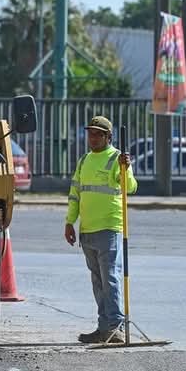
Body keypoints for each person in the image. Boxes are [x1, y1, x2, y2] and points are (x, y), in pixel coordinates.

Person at [64, 116, 137, 345]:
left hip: (109, 227)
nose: (93, 138)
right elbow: (75, 194)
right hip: (87, 230)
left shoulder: (117, 158)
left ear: (108, 137)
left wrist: (126, 168)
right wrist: (70, 222)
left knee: (110, 279)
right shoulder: (84, 160)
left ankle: (115, 328)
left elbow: (130, 187)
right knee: (98, 282)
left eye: (98, 134)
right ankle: (103, 327)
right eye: (91, 133)